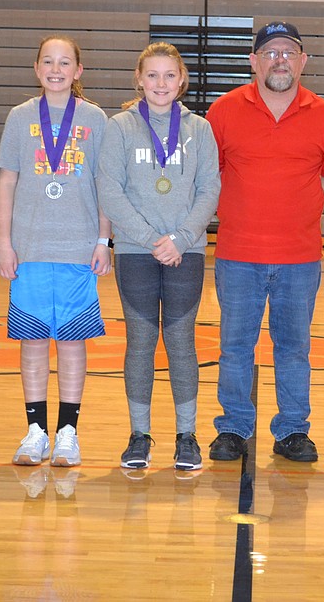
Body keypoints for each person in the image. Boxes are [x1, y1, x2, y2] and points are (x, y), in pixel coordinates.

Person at [205, 21, 324, 463]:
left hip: (299, 256)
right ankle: (232, 428)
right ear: (253, 61)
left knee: (294, 348)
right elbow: (205, 174)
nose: (280, 59)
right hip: (237, 253)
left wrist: (298, 203)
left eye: (289, 52)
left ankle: (292, 430)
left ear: (303, 61)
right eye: (270, 52)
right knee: (235, 346)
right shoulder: (224, 111)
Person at [98, 42, 221, 472]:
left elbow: (210, 190)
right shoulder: (120, 128)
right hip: (137, 251)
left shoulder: (200, 129)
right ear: (139, 80)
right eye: (152, 75)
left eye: (169, 75)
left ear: (181, 79)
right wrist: (153, 239)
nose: (161, 83)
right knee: (141, 343)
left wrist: (182, 237)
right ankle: (139, 434)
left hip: (185, 251)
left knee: (182, 342)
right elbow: (110, 192)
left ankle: (187, 436)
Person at [0, 35, 112, 468]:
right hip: (29, 249)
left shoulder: (96, 119)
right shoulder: (19, 117)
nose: (57, 69)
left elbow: (105, 184)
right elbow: (6, 181)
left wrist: (104, 239)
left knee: (72, 341)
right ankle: (35, 432)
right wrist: (4, 243)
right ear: (36, 67)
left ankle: (68, 432)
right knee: (32, 341)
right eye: (49, 61)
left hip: (79, 250)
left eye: (66, 62)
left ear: (78, 71)